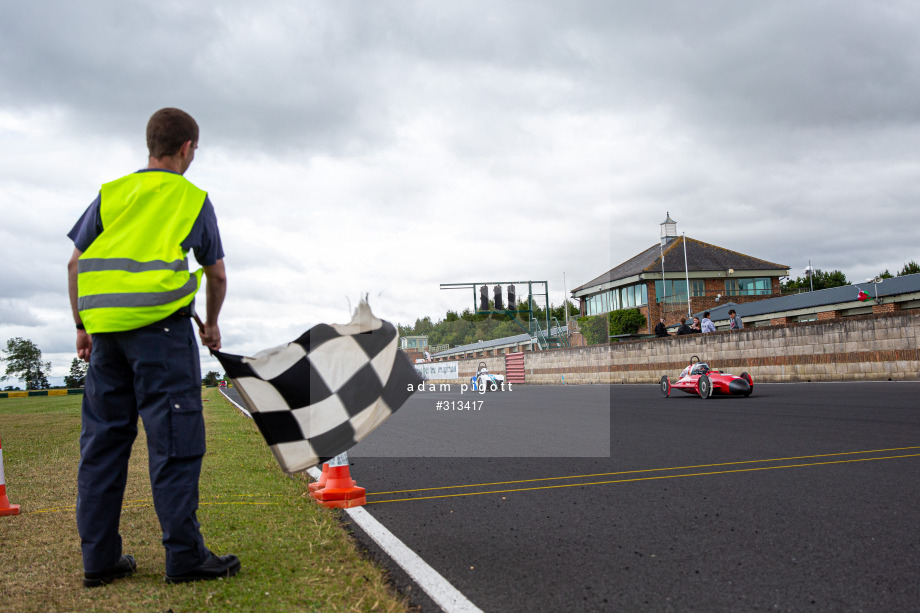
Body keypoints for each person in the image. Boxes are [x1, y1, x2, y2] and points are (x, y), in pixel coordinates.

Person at [67, 108, 239, 587]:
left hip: (106, 339)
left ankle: (98, 561)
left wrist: (82, 326)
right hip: (163, 335)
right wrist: (213, 326)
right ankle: (184, 557)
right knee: (175, 443)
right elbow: (217, 273)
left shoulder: (112, 193)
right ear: (187, 148)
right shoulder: (191, 198)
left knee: (102, 446)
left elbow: (74, 265)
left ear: (151, 144)